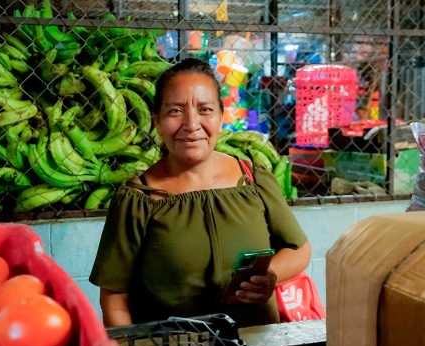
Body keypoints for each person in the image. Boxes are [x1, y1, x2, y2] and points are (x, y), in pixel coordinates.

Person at [89, 57, 311, 327]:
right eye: (175, 111)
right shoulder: (139, 198)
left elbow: (299, 249)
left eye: (204, 110)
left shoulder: (252, 179)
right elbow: (114, 299)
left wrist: (271, 275)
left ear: (220, 117)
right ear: (157, 121)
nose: (191, 124)